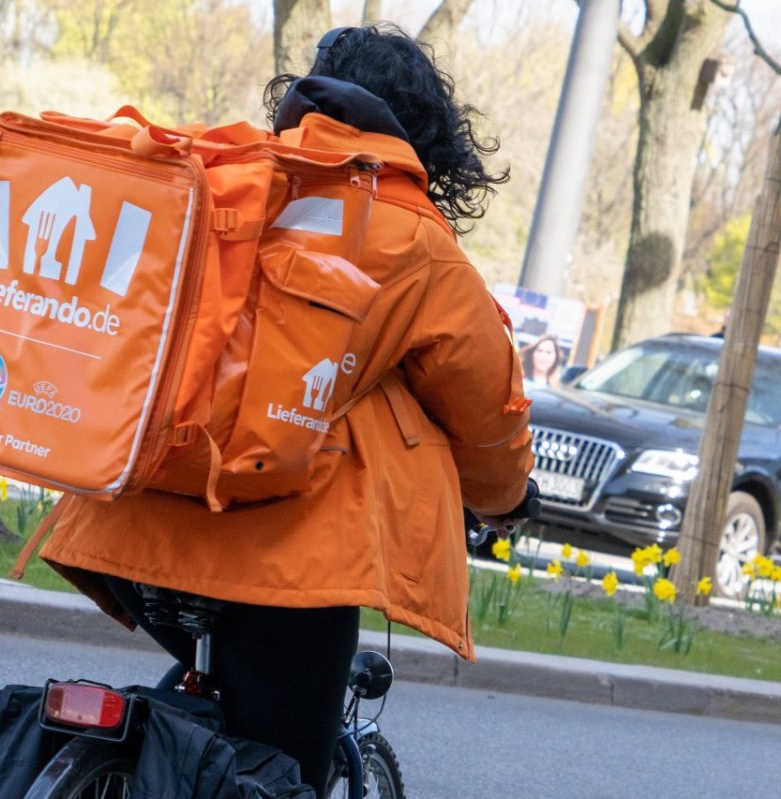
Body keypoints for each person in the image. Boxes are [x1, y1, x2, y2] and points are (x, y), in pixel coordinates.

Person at [35, 25, 534, 795]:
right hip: (288, 555)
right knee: (287, 763)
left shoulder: (226, 176)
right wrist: (508, 499)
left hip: (123, 517)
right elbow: (486, 410)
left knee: (222, 714)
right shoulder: (411, 236)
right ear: (425, 131)